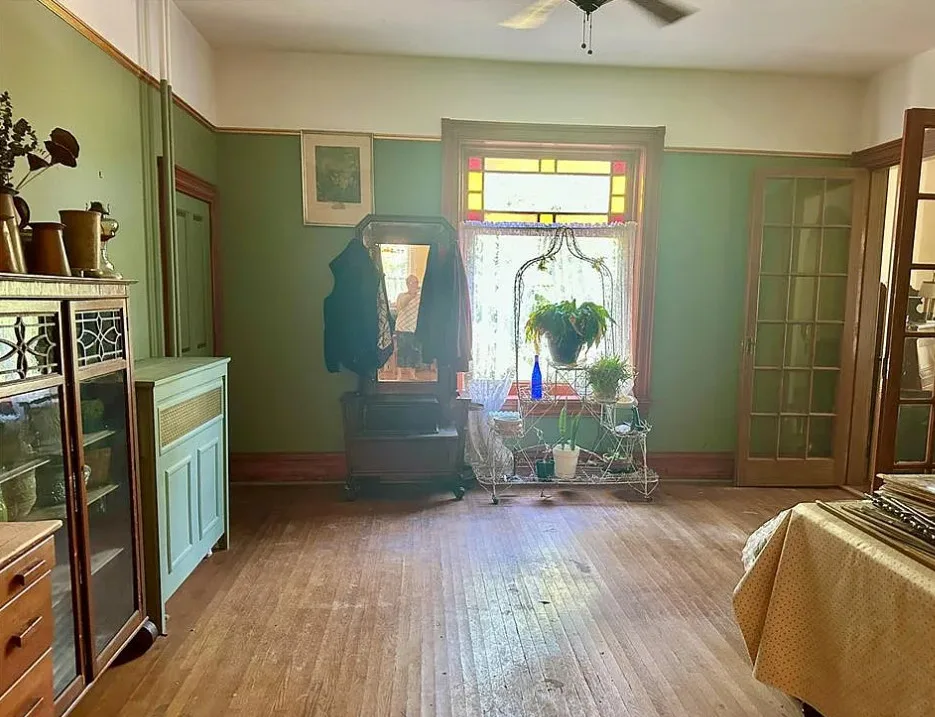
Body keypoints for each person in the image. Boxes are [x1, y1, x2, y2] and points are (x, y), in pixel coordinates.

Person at [394, 274, 422, 379]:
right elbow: (401, 306)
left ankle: (412, 374)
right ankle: (399, 375)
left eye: (416, 282)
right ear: (407, 284)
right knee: (401, 351)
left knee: (414, 351)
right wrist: (411, 295)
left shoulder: (420, 297)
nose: (414, 285)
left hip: (414, 328)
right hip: (402, 327)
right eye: (412, 282)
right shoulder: (402, 296)